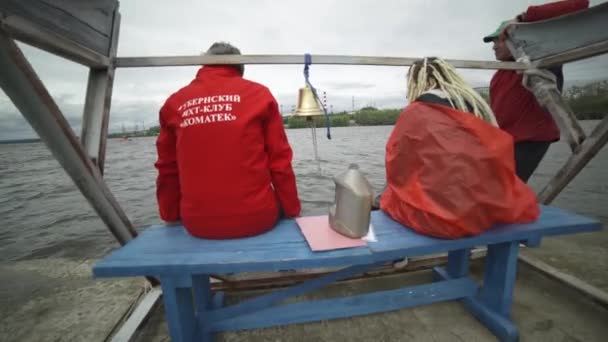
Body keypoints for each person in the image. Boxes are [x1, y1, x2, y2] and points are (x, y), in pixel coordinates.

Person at [379, 57, 539, 239]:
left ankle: (399, 257)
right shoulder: (477, 107)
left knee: (387, 196)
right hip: (482, 213)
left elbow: (397, 166)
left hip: (439, 221)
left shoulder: (415, 112)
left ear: (416, 81)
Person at [155, 42, 301, 239]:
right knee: (281, 209)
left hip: (197, 224)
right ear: (240, 68)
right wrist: (292, 210)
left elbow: (168, 168)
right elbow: (280, 161)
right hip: (258, 219)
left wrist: (170, 215)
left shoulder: (175, 102)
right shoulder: (259, 95)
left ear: (203, 65)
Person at [483, 0, 589, 182]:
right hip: (502, 140)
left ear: (514, 37)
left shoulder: (540, 59)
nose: (493, 46)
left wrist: (523, 19)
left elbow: (580, 4)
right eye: (492, 42)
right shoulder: (500, 74)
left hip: (530, 139)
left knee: (503, 190)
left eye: (498, 40)